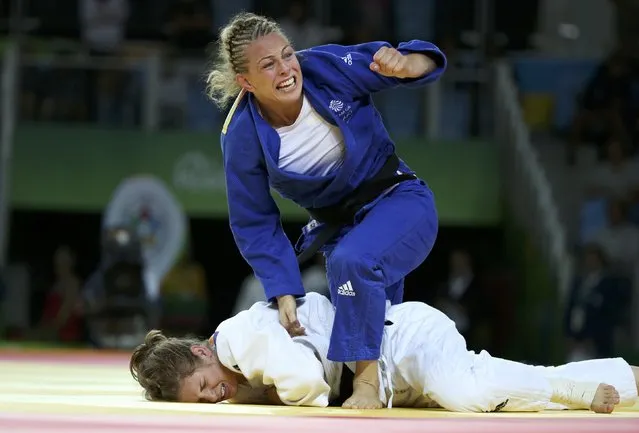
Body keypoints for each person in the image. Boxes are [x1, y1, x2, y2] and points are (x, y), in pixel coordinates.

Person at [205, 11, 446, 409]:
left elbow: (417, 61)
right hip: (344, 227)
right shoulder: (242, 135)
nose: (286, 69)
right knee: (379, 319)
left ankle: (365, 386)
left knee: (351, 263)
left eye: (286, 54)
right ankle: (396, 387)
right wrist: (282, 288)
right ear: (245, 82)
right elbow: (255, 220)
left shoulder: (325, 67)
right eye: (268, 64)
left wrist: (407, 64)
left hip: (400, 200)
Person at [130, 293, 639, 413]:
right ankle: (625, 377)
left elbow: (307, 383)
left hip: (401, 342)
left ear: (201, 351)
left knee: (467, 391)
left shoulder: (241, 340)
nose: (218, 397)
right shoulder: (237, 355)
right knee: (489, 392)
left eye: (204, 387)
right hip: (392, 377)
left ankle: (568, 388)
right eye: (206, 403)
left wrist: (256, 398)